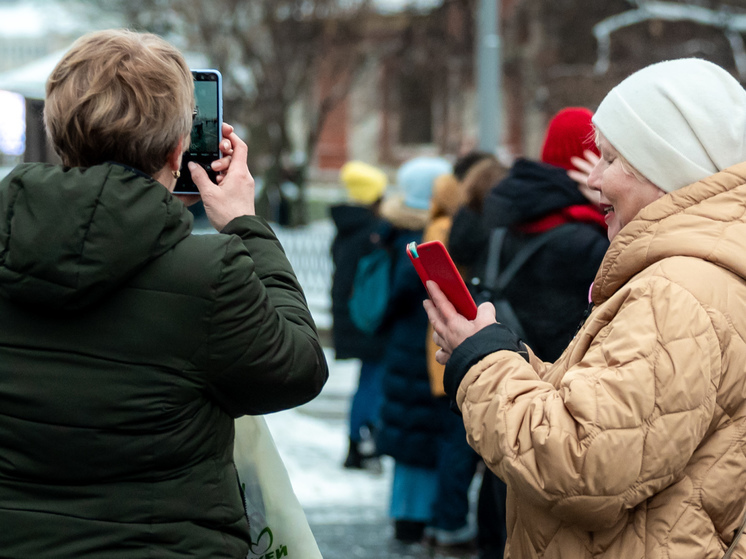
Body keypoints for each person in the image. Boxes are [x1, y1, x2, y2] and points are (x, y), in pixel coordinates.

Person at [0, 30, 328, 558]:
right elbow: (297, 369)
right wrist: (246, 225)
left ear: (60, 135)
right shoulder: (208, 274)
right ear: (179, 149)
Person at [424, 57, 746, 559]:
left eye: (611, 159)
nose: (593, 178)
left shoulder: (675, 291)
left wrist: (484, 365)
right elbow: (627, 424)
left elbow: (579, 465)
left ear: (668, 165)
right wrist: (499, 354)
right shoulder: (696, 275)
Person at [373, 155, 453, 544]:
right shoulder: (433, 241)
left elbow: (389, 302)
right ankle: (418, 516)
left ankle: (406, 514)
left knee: (410, 437)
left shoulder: (392, 234)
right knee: (422, 433)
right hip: (426, 354)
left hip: (402, 351)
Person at [330, 160, 389, 471]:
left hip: (351, 313)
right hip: (368, 317)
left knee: (369, 378)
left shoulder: (347, 226)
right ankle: (361, 443)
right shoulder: (371, 231)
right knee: (373, 379)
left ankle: (357, 441)